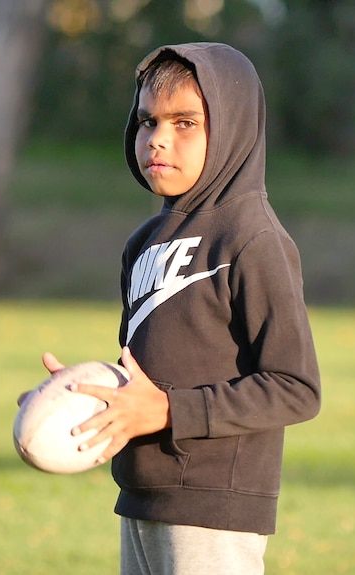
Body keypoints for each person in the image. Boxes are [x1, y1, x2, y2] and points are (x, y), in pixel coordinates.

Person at [35, 42, 321, 574]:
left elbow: (296, 387)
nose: (158, 138)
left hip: (213, 508)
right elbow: (141, 373)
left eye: (185, 122)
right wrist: (80, 394)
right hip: (143, 493)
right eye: (147, 121)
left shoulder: (252, 238)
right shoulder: (143, 242)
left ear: (232, 128)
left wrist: (169, 412)